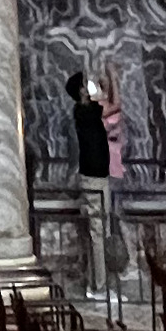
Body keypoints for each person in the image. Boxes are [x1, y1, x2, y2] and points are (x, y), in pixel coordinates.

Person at [68, 73, 117, 300]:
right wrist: (113, 76)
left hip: (94, 175)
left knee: (95, 232)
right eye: (87, 84)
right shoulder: (84, 111)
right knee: (98, 232)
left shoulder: (84, 112)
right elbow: (114, 105)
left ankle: (93, 284)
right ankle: (100, 287)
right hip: (94, 178)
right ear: (81, 91)